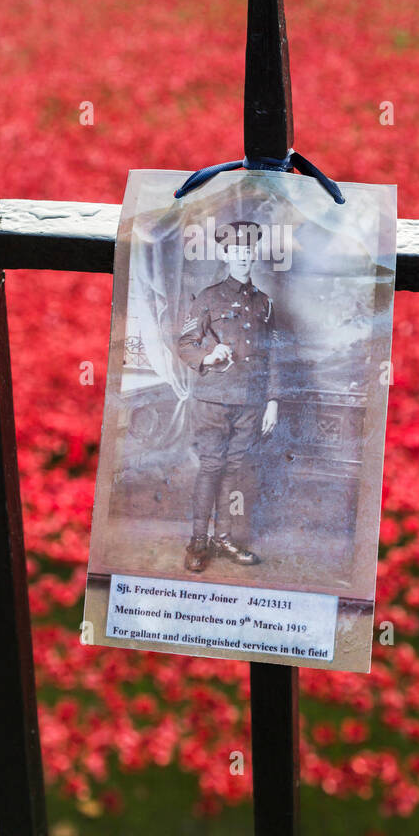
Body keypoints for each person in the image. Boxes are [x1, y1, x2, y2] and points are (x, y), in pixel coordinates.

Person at [176, 219, 281, 572]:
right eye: (236, 251)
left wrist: (272, 402)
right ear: (225, 255)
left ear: (255, 256)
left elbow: (273, 355)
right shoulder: (208, 297)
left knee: (234, 470)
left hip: (250, 403)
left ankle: (224, 538)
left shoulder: (265, 303)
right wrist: (207, 355)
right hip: (213, 400)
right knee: (211, 467)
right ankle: (197, 542)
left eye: (248, 252)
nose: (242, 258)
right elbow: (186, 343)